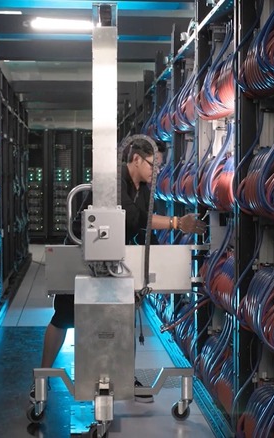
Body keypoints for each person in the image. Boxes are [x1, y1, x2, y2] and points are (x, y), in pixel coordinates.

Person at [30, 136, 206, 404]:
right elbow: (131, 217)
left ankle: (124, 377)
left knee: (123, 317)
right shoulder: (112, 181)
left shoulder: (143, 186)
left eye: (159, 167)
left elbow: (143, 224)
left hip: (115, 258)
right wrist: (176, 222)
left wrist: (156, 258)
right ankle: (41, 378)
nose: (156, 171)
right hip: (84, 251)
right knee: (64, 316)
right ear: (136, 159)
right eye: (153, 165)